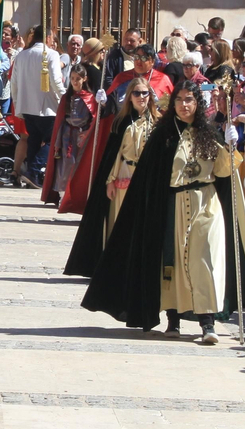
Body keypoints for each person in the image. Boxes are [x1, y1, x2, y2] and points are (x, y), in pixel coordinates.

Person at [82, 80, 245, 343]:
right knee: (171, 264)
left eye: (189, 100)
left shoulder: (209, 133)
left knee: (205, 259)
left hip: (206, 203)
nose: (184, 105)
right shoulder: (163, 136)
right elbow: (150, 177)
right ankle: (173, 320)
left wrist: (232, 149)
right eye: (179, 99)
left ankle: (208, 323)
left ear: (198, 104)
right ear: (172, 102)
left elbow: (223, 172)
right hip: (172, 204)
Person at [65, 76, 158, 277]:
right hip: (125, 175)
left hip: (148, 178)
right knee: (118, 223)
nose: (141, 97)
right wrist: (110, 180)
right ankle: (115, 266)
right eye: (136, 93)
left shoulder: (158, 122)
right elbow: (114, 155)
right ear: (130, 97)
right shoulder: (122, 121)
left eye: (144, 93)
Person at [9, 25, 64, 187]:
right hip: (47, 107)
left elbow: (14, 84)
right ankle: (32, 170)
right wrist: (66, 97)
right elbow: (55, 80)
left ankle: (31, 176)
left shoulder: (22, 56)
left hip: (27, 106)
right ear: (47, 38)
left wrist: (18, 105)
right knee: (51, 141)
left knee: (34, 141)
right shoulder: (52, 54)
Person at [40, 63, 98, 207]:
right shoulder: (67, 97)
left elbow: (94, 118)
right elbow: (61, 118)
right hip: (67, 135)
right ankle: (62, 195)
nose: (75, 81)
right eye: (72, 78)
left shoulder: (90, 98)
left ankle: (77, 196)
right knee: (65, 165)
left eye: (78, 78)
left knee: (79, 165)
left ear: (84, 79)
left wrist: (87, 132)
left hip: (82, 135)